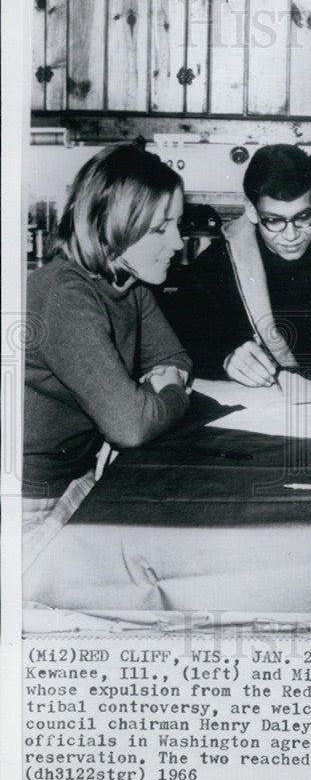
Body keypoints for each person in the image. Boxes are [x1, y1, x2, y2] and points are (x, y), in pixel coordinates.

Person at [23, 144, 192, 559]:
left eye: (177, 224)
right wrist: (173, 394)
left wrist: (163, 383)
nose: (178, 241)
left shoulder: (124, 282)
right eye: (160, 229)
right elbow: (130, 425)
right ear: (111, 228)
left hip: (76, 478)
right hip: (26, 505)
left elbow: (176, 359)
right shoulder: (67, 293)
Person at [163, 144, 311, 384]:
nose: (291, 235)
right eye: (273, 221)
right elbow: (173, 346)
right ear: (252, 210)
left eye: (304, 218)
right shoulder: (217, 264)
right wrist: (224, 359)